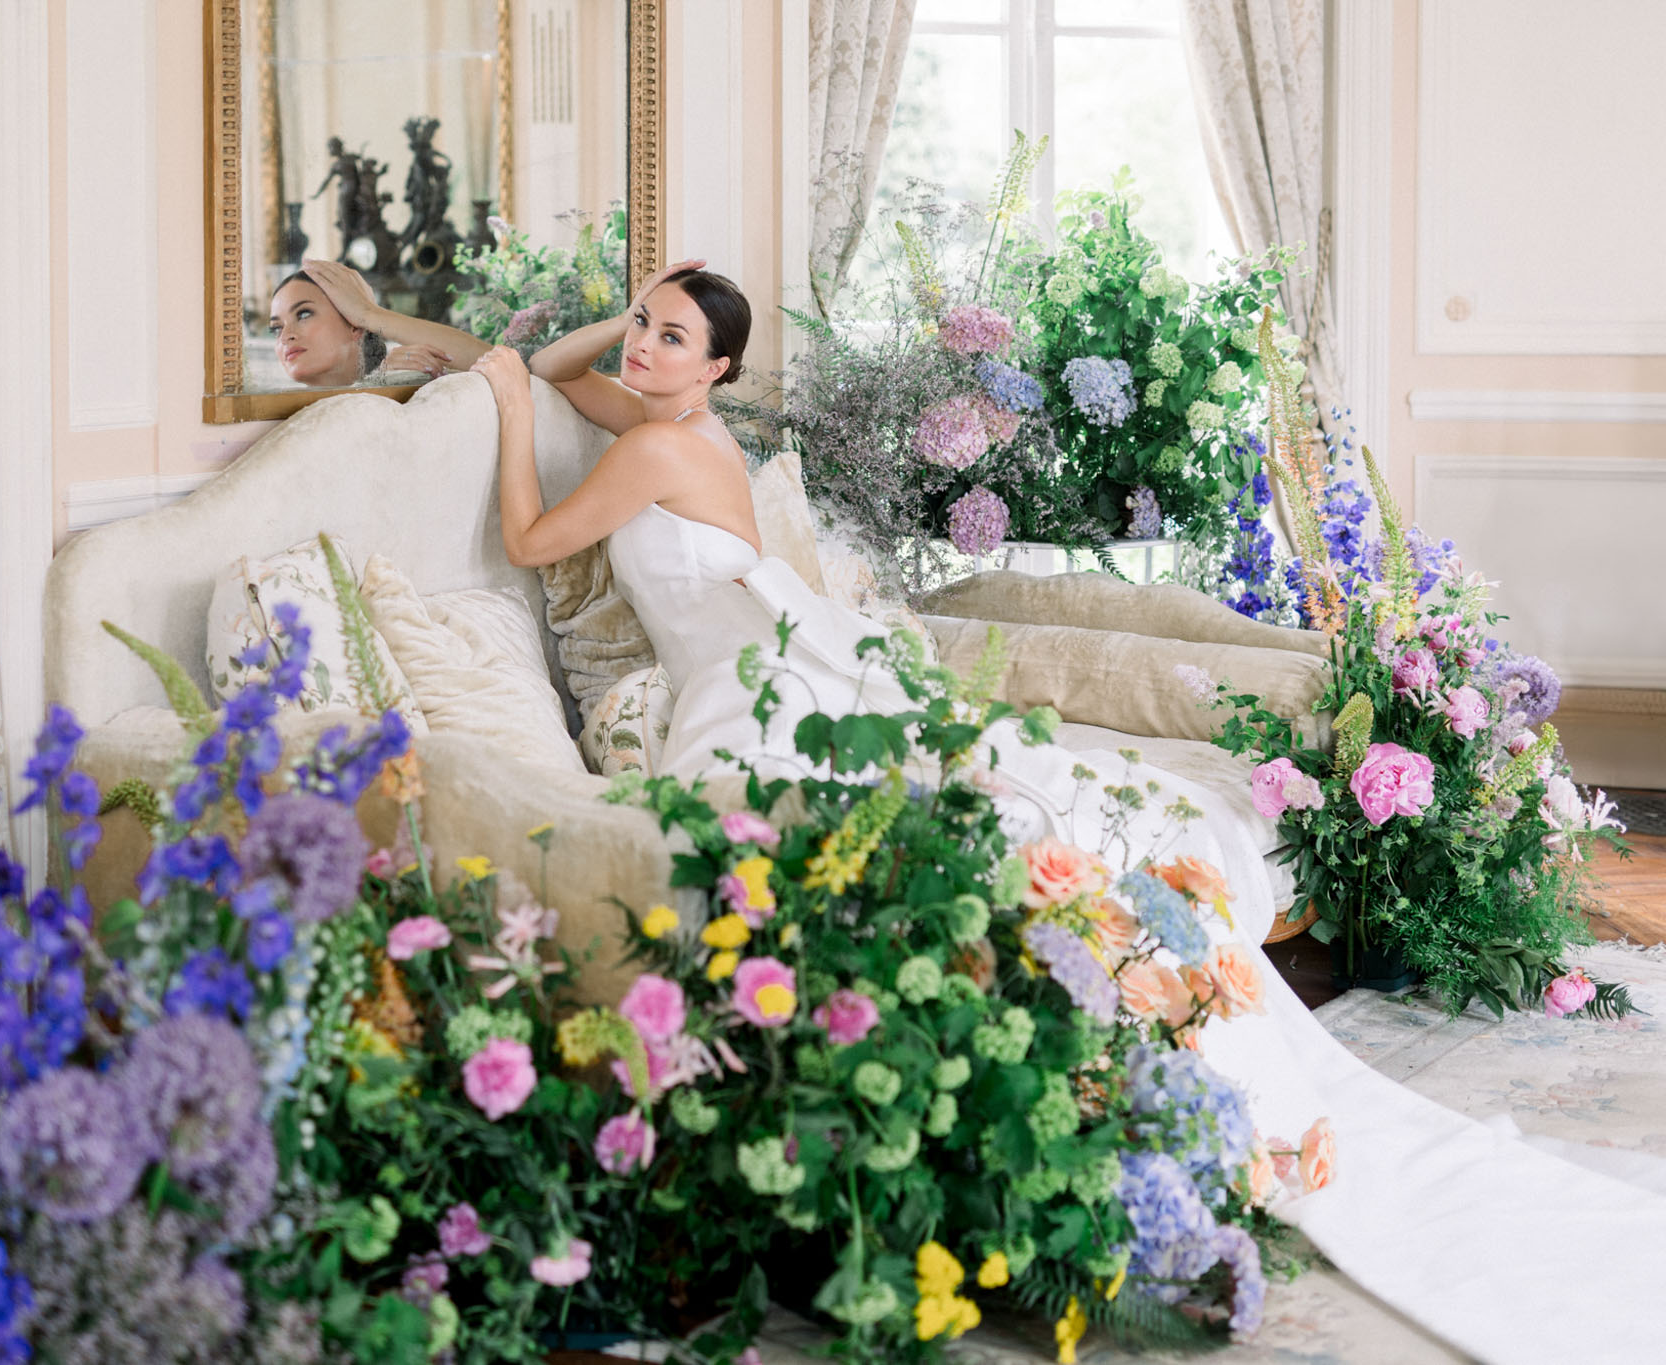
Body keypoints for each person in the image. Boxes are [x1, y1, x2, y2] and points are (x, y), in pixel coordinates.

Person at [473, 260, 1666, 1363]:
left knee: (893, 832)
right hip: (761, 673)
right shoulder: (678, 424)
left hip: (751, 694)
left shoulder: (657, 447)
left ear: (717, 369)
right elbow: (572, 365)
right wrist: (613, 330)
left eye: (670, 337)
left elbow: (528, 531)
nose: (637, 347)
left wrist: (513, 408)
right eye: (641, 323)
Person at [267, 259, 488, 389]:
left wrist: (370, 314)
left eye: (304, 314)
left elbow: (500, 366)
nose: (286, 335)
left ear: (354, 325)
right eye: (276, 328)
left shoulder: (395, 377)